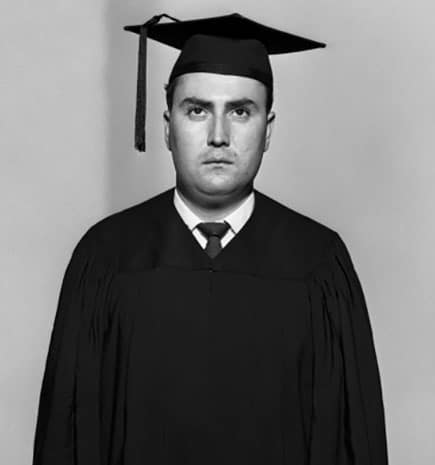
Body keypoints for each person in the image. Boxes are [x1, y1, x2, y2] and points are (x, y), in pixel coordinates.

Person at [33, 13, 388, 465]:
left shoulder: (319, 264)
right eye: (197, 110)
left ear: (268, 130)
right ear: (167, 126)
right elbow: (67, 441)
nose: (218, 136)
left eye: (240, 111)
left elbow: (354, 443)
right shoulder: (106, 259)